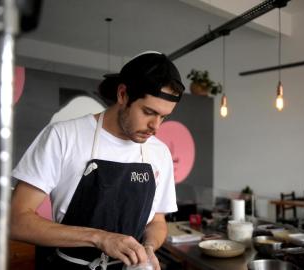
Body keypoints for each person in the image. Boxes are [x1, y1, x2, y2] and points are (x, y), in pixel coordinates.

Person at [10, 51, 185, 270]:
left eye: (163, 117)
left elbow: (157, 222)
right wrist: (100, 238)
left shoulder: (160, 153)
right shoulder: (63, 136)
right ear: (123, 94)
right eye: (148, 112)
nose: (156, 126)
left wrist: (148, 247)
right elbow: (16, 221)